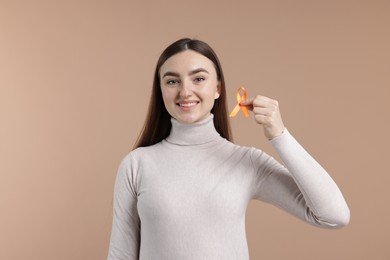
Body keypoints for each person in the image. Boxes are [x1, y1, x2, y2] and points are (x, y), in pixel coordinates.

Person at [107, 38, 350, 260]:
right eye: (172, 81)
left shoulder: (246, 162)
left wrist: (280, 136)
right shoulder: (137, 164)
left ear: (218, 89)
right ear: (161, 91)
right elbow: (120, 255)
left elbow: (333, 216)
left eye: (199, 79)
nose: (185, 91)